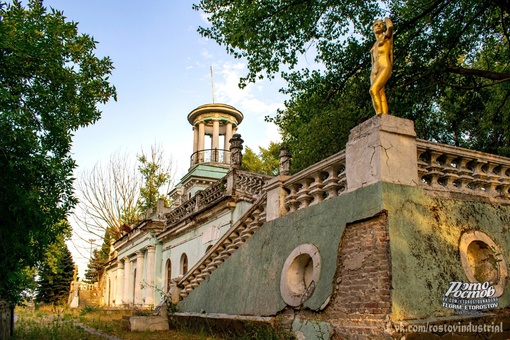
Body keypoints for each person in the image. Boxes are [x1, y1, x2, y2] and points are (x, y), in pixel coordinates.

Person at [370, 17, 394, 115]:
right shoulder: (373, 46)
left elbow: (391, 27)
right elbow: (373, 62)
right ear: (373, 29)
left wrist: (386, 19)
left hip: (385, 66)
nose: (378, 26)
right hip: (374, 70)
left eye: (381, 24)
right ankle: (384, 115)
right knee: (380, 92)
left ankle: (379, 117)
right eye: (376, 25)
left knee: (373, 90)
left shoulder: (386, 37)